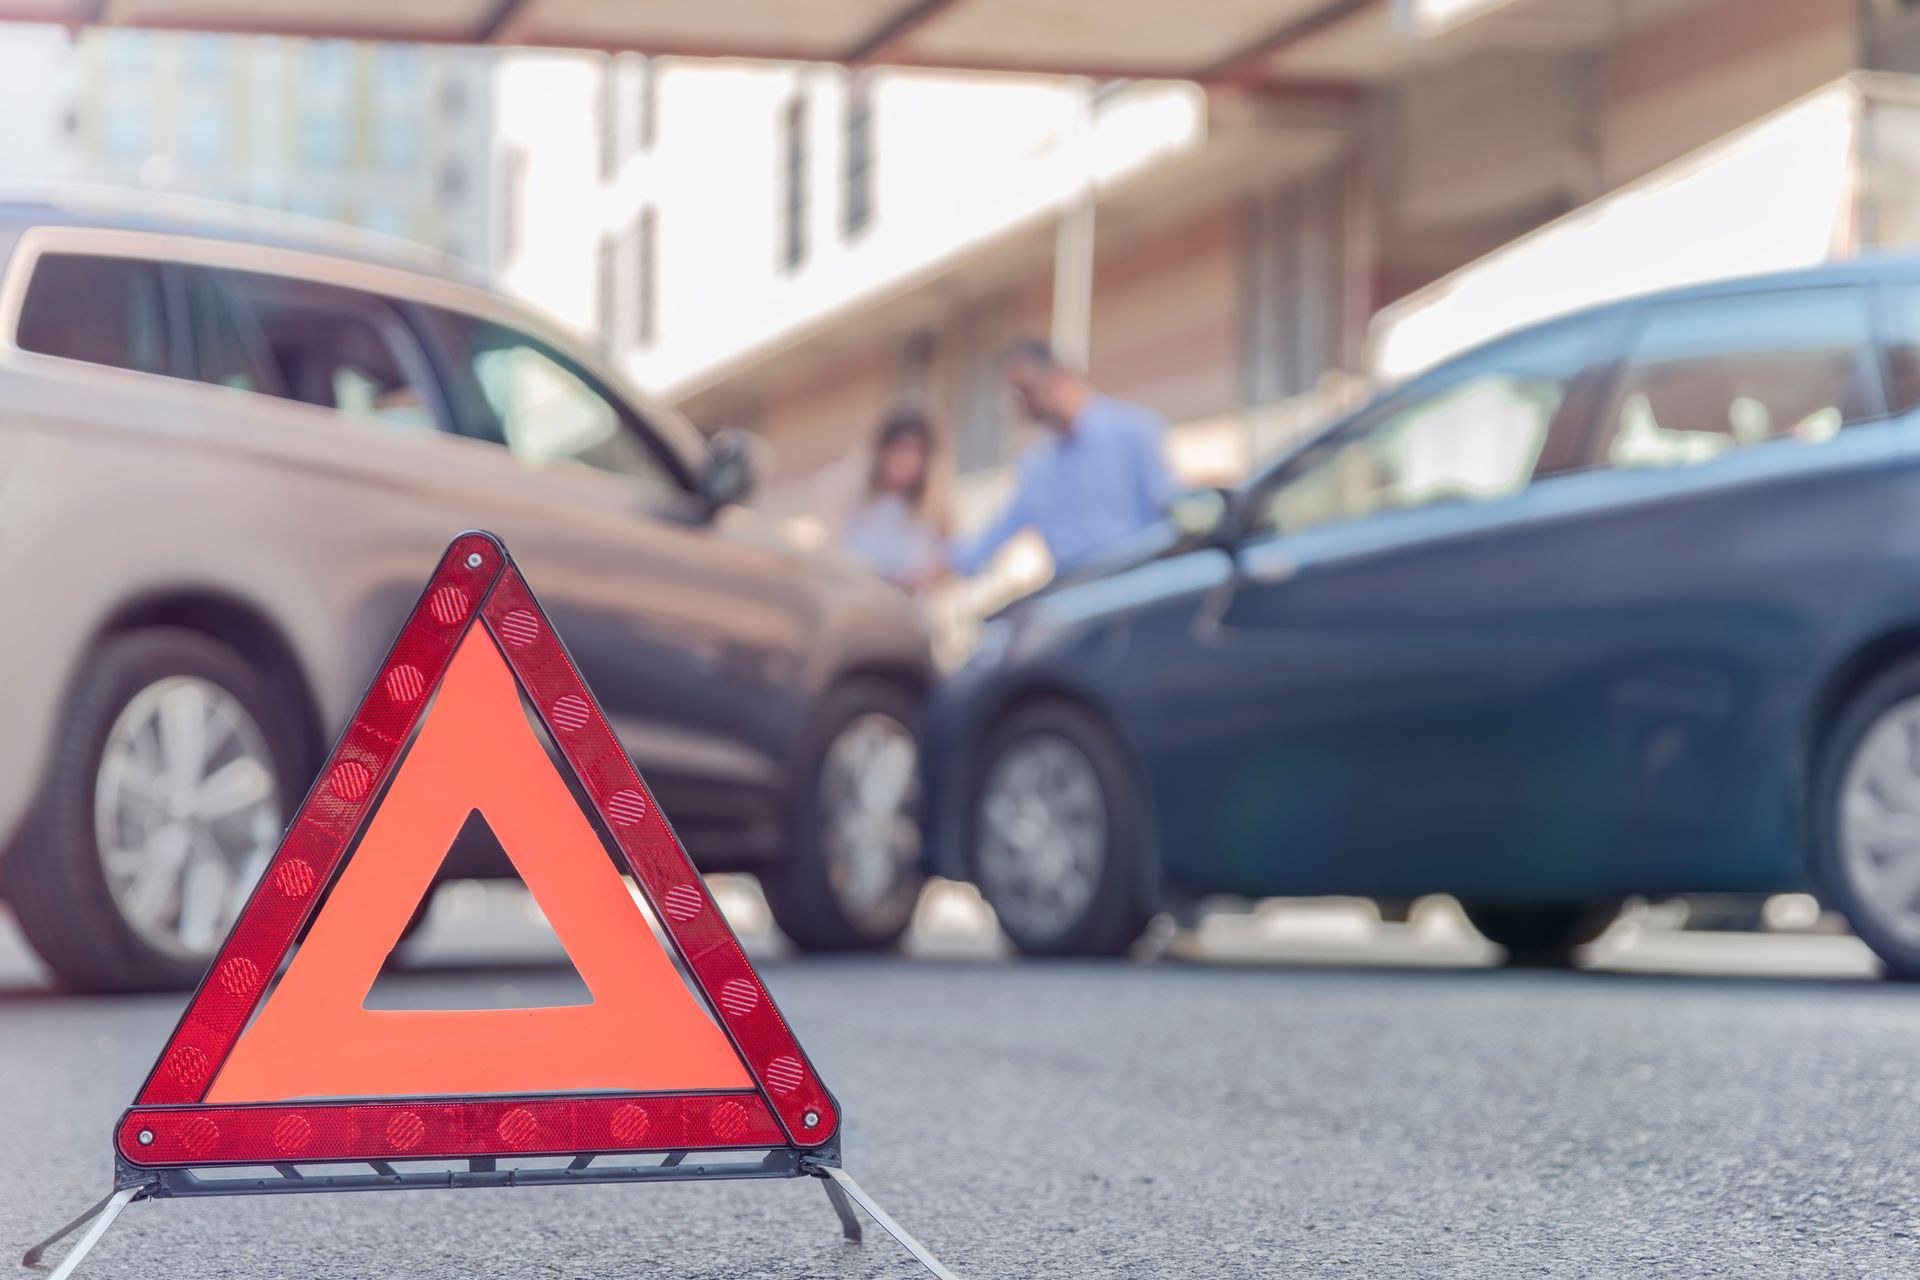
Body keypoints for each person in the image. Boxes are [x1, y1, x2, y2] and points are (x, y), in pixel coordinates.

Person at [948, 338, 1173, 579]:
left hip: (1139, 590)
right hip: (1073, 600)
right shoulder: (1037, 468)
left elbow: (1169, 513)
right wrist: (939, 562)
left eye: (1025, 389)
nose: (1020, 404)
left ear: (1059, 377)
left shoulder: (1134, 431)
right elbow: (992, 537)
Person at [840, 406, 946, 593]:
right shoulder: (846, 496)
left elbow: (949, 560)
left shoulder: (934, 507)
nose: (906, 459)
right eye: (899, 447)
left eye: (916, 451)